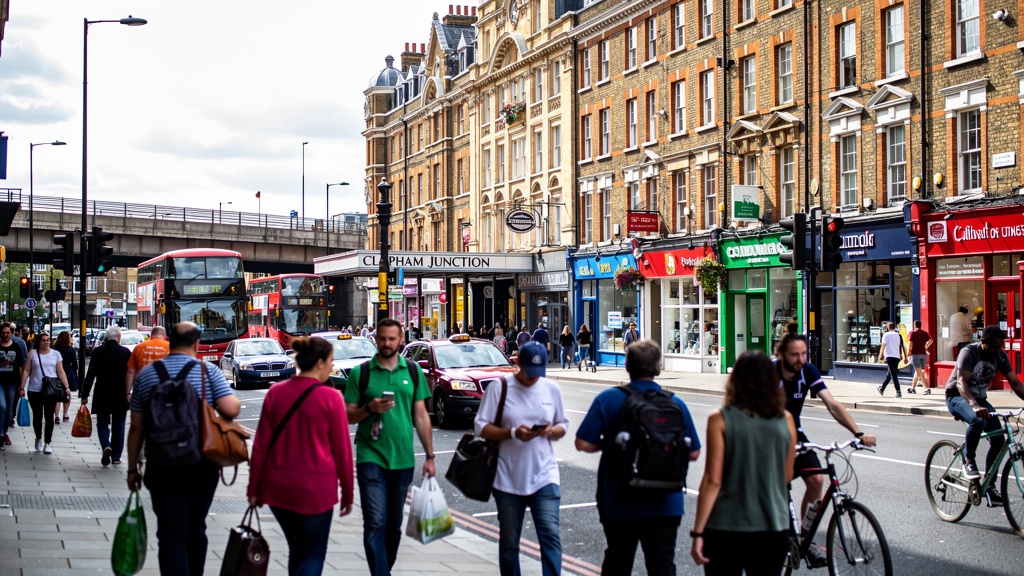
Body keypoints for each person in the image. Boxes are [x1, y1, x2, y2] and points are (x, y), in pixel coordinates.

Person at [575, 339, 701, 575]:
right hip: (667, 502)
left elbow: (582, 442)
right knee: (663, 565)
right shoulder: (675, 403)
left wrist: (613, 444)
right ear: (658, 368)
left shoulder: (608, 399)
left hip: (619, 499)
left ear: (627, 367)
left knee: (618, 562)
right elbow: (694, 452)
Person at [125, 322, 241, 575]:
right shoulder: (207, 371)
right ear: (197, 344)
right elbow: (231, 409)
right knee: (196, 527)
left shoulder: (147, 375)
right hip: (201, 463)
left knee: (170, 532)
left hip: (161, 463)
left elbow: (136, 428)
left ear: (170, 341)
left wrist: (133, 469)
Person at [247, 336, 354, 576]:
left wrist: (254, 489)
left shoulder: (276, 393)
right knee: (313, 554)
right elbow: (343, 452)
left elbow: (261, 446)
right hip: (316, 490)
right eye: (330, 361)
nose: (331, 366)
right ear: (318, 363)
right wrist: (348, 493)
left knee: (297, 549)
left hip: (278, 490)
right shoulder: (331, 398)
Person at [774, 322, 876, 567]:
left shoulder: (807, 371)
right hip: (769, 441)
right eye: (794, 355)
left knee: (817, 480)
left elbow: (832, 404)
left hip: (796, 437)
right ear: (781, 355)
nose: (800, 359)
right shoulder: (768, 372)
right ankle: (781, 538)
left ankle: (804, 542)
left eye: (803, 354)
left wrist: (857, 431)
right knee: (778, 492)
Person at [690, 351, 796, 575]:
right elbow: (786, 476)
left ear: (735, 381)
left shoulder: (720, 419)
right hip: (772, 525)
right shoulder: (786, 420)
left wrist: (698, 532)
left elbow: (712, 480)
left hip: (726, 526)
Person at [343, 318, 435, 576]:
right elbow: (348, 415)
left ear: (401, 338)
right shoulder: (362, 373)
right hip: (370, 456)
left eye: (392, 339)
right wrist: (368, 409)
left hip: (403, 459)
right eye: (382, 338)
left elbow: (421, 416)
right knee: (375, 522)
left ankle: (383, 569)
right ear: (376, 338)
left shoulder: (414, 372)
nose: (386, 343)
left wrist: (430, 456)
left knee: (393, 526)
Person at [476, 341, 569, 576]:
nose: (534, 378)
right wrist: (513, 433)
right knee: (509, 542)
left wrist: (550, 431)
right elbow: (481, 428)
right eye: (530, 372)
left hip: (545, 476)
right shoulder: (500, 388)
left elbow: (562, 426)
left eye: (539, 371)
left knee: (550, 536)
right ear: (518, 363)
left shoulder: (551, 389)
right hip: (507, 478)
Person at [945, 326, 1024, 504]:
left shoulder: (1000, 355)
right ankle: (970, 461)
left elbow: (1016, 383)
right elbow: (961, 381)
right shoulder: (969, 352)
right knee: (977, 420)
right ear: (983, 342)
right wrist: (973, 405)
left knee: (998, 439)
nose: (997, 351)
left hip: (980, 400)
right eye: (994, 347)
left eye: (1000, 346)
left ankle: (989, 486)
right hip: (957, 397)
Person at [81, 326, 132, 466]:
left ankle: (106, 445)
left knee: (102, 422)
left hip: (102, 392)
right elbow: (130, 374)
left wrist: (84, 395)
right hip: (121, 393)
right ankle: (116, 456)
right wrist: (129, 392)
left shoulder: (98, 352)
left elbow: (90, 375)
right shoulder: (125, 352)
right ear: (118, 338)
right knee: (119, 425)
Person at [19, 332, 70, 454]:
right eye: (43, 340)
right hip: (34, 389)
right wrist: (21, 387)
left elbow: (60, 371)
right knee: (37, 416)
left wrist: (66, 387)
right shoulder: (33, 354)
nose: (46, 342)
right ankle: (38, 437)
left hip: (51, 390)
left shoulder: (56, 354)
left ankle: (48, 442)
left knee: (49, 417)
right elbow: (26, 370)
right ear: (39, 342)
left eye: (48, 340)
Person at [0, 324, 25, 449]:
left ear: (11, 333)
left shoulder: (16, 347)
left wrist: (21, 386)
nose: (5, 335)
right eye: (3, 333)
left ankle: (4, 432)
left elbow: (21, 367)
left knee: (9, 410)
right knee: (2, 406)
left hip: (12, 382)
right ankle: (0, 434)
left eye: (7, 333)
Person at [125, 326, 170, 396]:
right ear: (165, 336)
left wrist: (128, 392)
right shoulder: (171, 347)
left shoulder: (139, 347)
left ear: (151, 335)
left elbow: (131, 371)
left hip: (143, 386)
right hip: (164, 387)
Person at [52, 331, 78, 424]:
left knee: (58, 395)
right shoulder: (71, 349)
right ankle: (65, 414)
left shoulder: (55, 349)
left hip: (56, 371)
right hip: (68, 371)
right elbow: (75, 364)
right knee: (67, 393)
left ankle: (57, 416)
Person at [876, 322, 907, 398]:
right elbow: (903, 347)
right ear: (894, 327)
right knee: (890, 374)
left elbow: (883, 346)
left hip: (889, 356)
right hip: (897, 357)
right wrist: (905, 357)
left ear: (888, 327)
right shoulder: (899, 335)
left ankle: (898, 391)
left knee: (893, 374)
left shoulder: (886, 335)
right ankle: (882, 388)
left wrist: (880, 355)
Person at [907, 320, 933, 394]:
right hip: (923, 354)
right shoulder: (924, 333)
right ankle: (913, 388)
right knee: (918, 371)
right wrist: (925, 347)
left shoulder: (913, 333)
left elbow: (910, 344)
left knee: (920, 372)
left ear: (915, 325)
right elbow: (931, 340)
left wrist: (908, 353)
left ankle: (926, 389)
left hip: (915, 354)